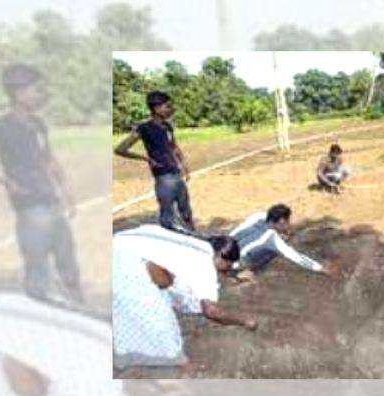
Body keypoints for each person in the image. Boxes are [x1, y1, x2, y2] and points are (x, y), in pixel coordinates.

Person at [0, 64, 83, 304]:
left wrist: (66, 190)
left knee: (69, 268)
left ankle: (81, 315)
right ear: (18, 92)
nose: (40, 94)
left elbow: (48, 158)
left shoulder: (37, 123)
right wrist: (2, 179)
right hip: (30, 210)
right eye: (35, 89)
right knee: (38, 279)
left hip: (52, 204)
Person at [112, 224, 256, 367]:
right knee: (160, 318)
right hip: (125, 260)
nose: (228, 269)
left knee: (161, 289)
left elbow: (165, 276)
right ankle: (176, 360)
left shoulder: (201, 246)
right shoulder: (205, 268)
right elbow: (212, 312)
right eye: (229, 265)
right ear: (221, 257)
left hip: (123, 240)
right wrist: (244, 321)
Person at [114, 91, 195, 231]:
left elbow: (174, 146)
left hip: (177, 175)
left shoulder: (167, 126)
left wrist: (184, 164)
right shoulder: (144, 128)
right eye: (167, 106)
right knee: (167, 218)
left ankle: (193, 235)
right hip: (163, 178)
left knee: (186, 211)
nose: (170, 109)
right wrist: (146, 158)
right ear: (156, 109)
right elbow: (121, 149)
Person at [230, 204, 328, 274]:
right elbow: (296, 257)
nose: (288, 224)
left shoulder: (258, 216)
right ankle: (242, 272)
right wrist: (320, 268)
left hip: (225, 247)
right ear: (281, 221)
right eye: (287, 222)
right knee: (275, 251)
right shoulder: (272, 238)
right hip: (233, 264)